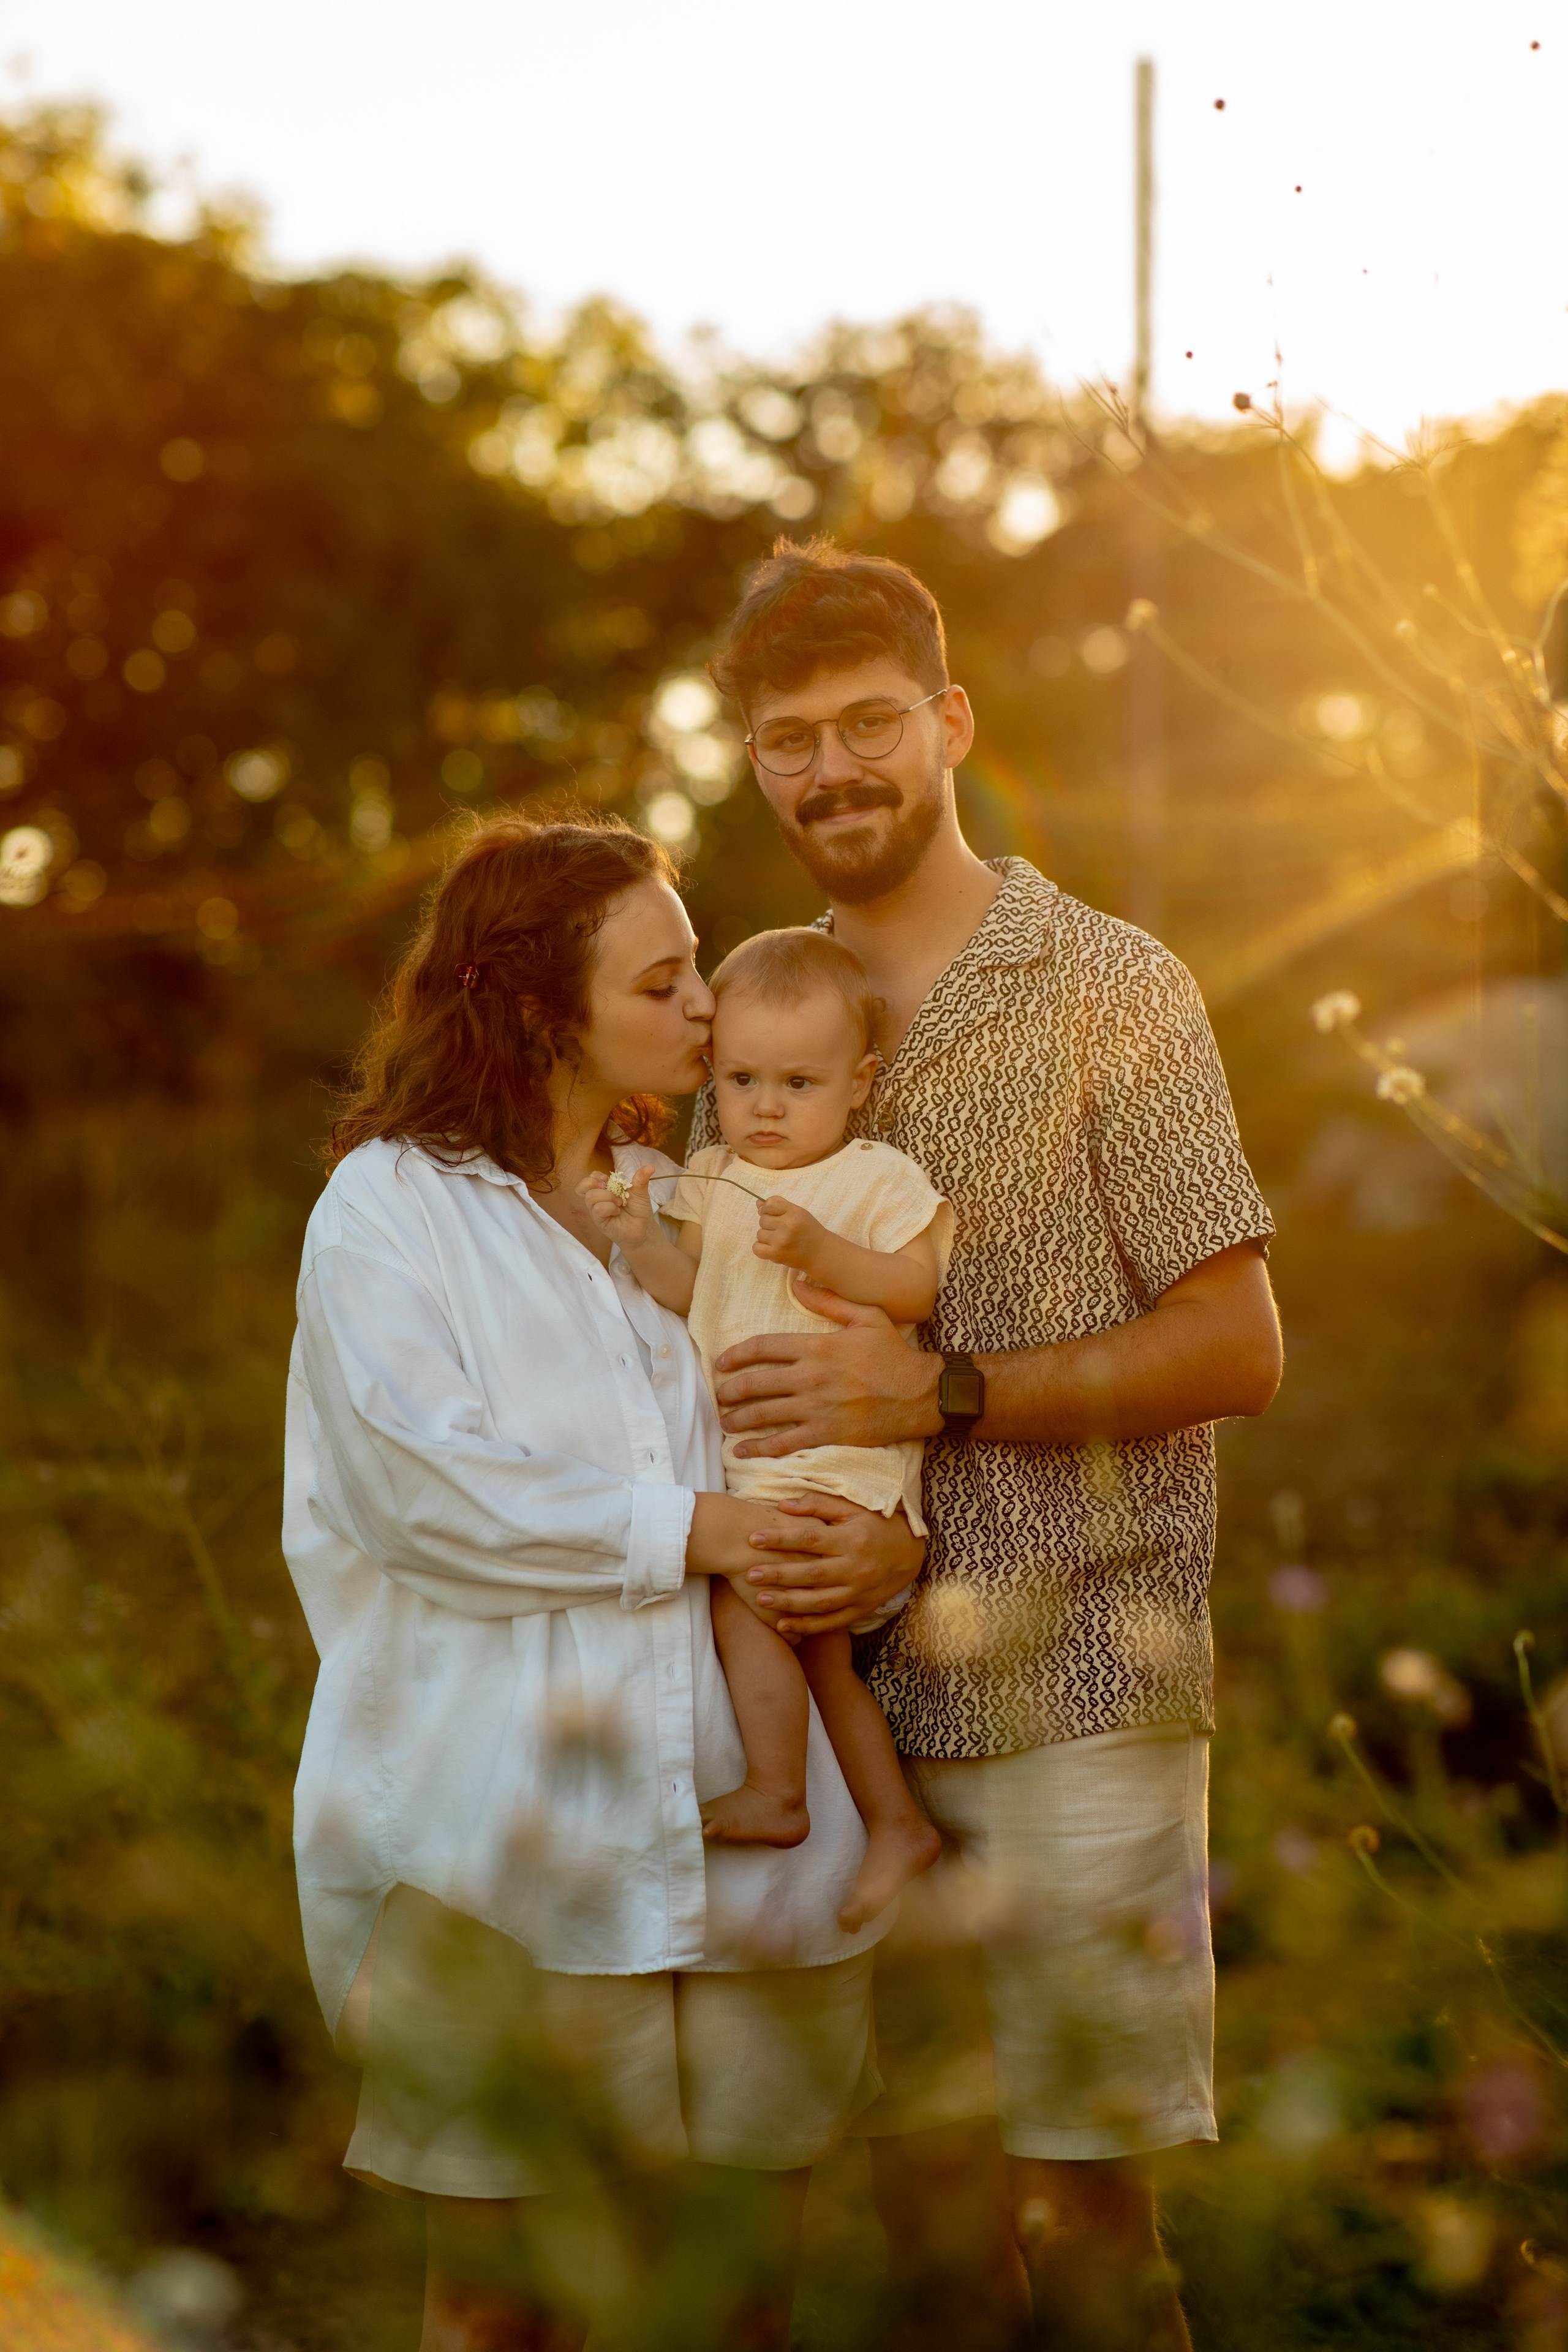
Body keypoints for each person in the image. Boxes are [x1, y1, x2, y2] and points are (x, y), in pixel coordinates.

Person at [692, 541, 1284, 2352]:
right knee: (922, 2232)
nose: (833, 770)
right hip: (825, 1683)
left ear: (951, 722)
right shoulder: (742, 1009)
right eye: (789, 740)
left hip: (1084, 1677)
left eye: (869, 722)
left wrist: (935, 1394)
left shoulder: (1116, 980)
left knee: (1093, 2225)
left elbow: (1236, 1345)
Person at [281, 813, 924, 2352]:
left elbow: (833, 1450)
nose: (706, 1005)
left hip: (756, 1848)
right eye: (663, 980)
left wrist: (883, 1552)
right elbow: (423, 1494)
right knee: (508, 2310)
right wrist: (699, 1531)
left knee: (735, 2300)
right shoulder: (391, 1210)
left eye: (698, 966)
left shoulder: (707, 1201)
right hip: (513, 1852)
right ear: (529, 1010)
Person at [580, 925, 949, 1933]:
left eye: (798, 1083)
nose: (767, 1108)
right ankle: (891, 1821)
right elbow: (692, 1293)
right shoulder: (711, 1175)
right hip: (757, 1466)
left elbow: (914, 1283)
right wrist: (637, 1239)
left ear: (860, 1082)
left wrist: (826, 1248)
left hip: (836, 1457)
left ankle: (784, 1796)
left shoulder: (872, 1178)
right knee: (816, 1653)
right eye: (741, 1080)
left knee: (749, 1613)